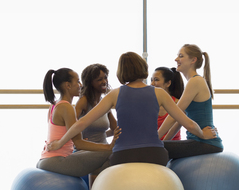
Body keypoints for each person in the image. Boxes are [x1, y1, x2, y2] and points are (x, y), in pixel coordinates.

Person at [47, 52, 216, 166]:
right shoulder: (159, 94)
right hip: (155, 155)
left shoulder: (114, 95)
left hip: (123, 156)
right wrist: (204, 135)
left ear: (121, 72)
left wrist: (60, 142)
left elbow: (82, 123)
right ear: (143, 68)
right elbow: (188, 123)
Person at [37, 68, 118, 177]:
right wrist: (108, 147)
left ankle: (96, 187)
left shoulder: (54, 104)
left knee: (106, 152)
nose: (80, 85)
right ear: (68, 85)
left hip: (47, 159)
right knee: (113, 152)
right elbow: (78, 143)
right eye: (77, 81)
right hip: (57, 161)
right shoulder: (66, 107)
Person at [158, 44, 223, 159]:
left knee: (153, 148)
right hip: (200, 141)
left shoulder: (195, 81)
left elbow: (173, 115)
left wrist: (156, 138)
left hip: (205, 142)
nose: (176, 59)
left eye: (181, 56)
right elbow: (179, 120)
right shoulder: (193, 82)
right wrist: (163, 140)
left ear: (193, 60)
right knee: (158, 146)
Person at [150, 67, 183, 140]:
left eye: (156, 80)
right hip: (154, 145)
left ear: (168, 83)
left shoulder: (179, 103)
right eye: (151, 80)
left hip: (173, 145)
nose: (152, 84)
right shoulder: (148, 103)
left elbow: (192, 122)